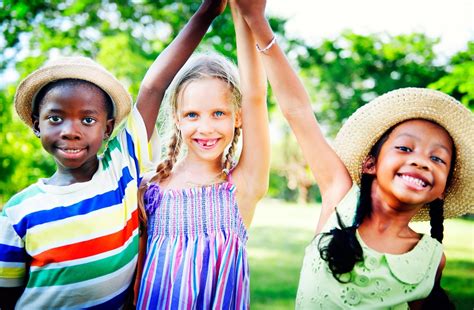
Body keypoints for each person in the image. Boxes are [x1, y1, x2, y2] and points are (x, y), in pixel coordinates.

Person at [234, 0, 473, 308]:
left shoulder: (431, 259)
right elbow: (298, 111)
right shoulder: (339, 197)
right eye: (404, 148)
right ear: (370, 163)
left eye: (437, 158)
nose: (420, 160)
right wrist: (257, 20)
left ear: (442, 190)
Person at [0, 1, 226, 308]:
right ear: (37, 126)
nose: (70, 130)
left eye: (88, 120)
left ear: (108, 129)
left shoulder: (121, 170)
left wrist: (207, 12)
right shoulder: (17, 213)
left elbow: (153, 86)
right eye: (55, 118)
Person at [134, 2, 270, 309]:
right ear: (178, 119)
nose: (205, 127)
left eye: (218, 113)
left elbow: (255, 96)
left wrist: (245, 13)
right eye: (192, 114)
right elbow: (151, 87)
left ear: (238, 117)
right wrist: (207, 11)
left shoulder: (243, 186)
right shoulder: (151, 188)